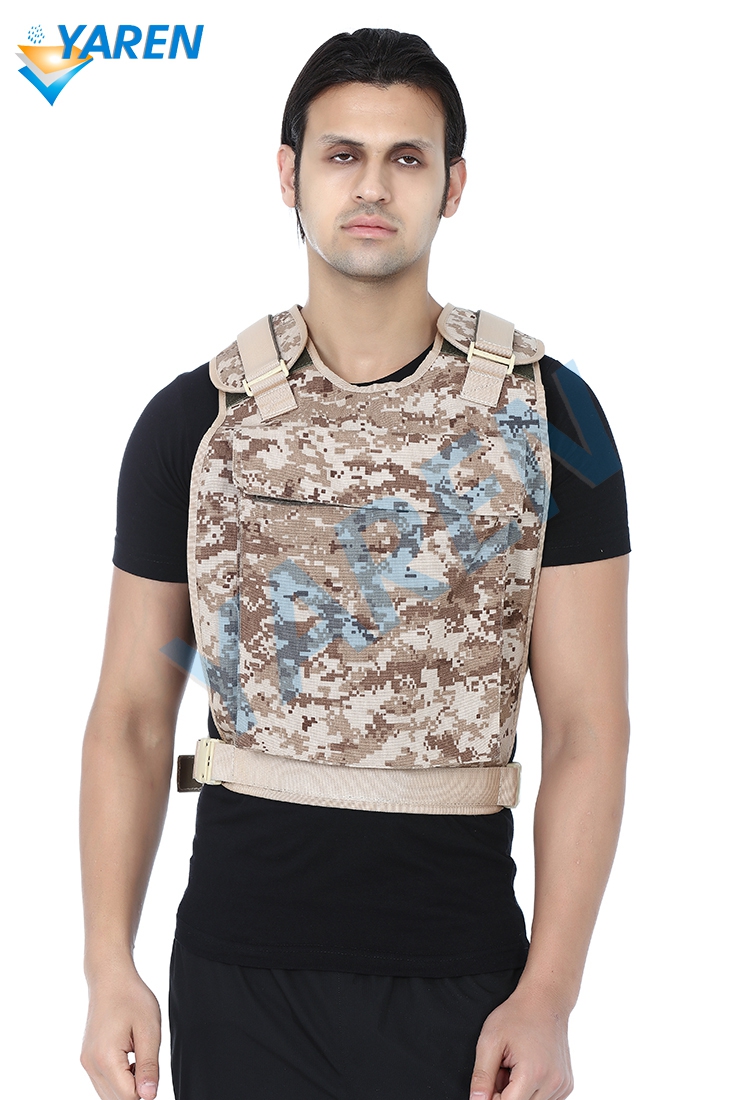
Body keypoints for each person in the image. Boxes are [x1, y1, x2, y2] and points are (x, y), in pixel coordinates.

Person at [80, 27, 630, 1100]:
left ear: (453, 185)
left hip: (465, 982)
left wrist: (551, 996)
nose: (372, 186)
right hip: (237, 976)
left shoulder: (554, 417)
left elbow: (589, 727)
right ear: (289, 175)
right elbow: (133, 717)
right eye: (342, 155)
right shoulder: (193, 422)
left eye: (406, 157)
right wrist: (109, 967)